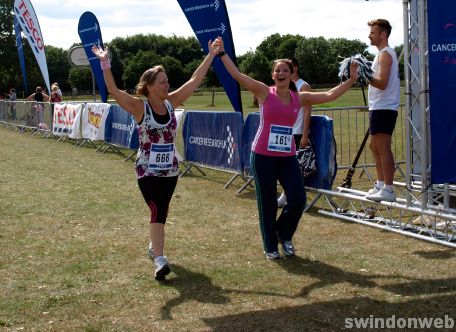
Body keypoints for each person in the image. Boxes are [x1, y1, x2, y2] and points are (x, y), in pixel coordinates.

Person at [212, 36, 359, 259]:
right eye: (277, 70)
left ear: (292, 75)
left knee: (298, 198)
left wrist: (351, 79)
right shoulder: (263, 92)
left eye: (285, 70)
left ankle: (284, 233)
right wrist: (222, 53)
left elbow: (329, 95)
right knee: (268, 202)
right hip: (262, 156)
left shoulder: (299, 98)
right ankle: (270, 245)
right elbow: (237, 75)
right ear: (273, 75)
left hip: (287, 156)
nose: (281, 73)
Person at [91, 40, 218, 280]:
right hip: (147, 171)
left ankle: (153, 247)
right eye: (162, 82)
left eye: (167, 81)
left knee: (162, 211)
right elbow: (115, 92)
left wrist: (211, 55)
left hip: (170, 171)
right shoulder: (140, 108)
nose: (167, 85)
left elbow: (194, 80)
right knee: (157, 209)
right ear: (149, 86)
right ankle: (160, 260)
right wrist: (105, 63)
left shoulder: (172, 104)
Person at [364, 19, 400, 202]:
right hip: (378, 106)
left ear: (383, 34)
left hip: (385, 107)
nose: (369, 35)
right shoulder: (380, 55)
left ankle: (389, 189)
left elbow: (382, 83)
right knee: (374, 145)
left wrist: (364, 74)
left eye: (373, 32)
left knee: (383, 147)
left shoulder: (386, 54)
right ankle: (380, 183)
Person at [277, 57, 312, 208]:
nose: (283, 72)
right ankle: (286, 195)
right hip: (284, 132)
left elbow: (307, 112)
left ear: (295, 68)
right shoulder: (283, 86)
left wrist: (305, 134)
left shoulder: (303, 86)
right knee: (283, 168)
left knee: (296, 169)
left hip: (297, 132)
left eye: (287, 68)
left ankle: (297, 198)